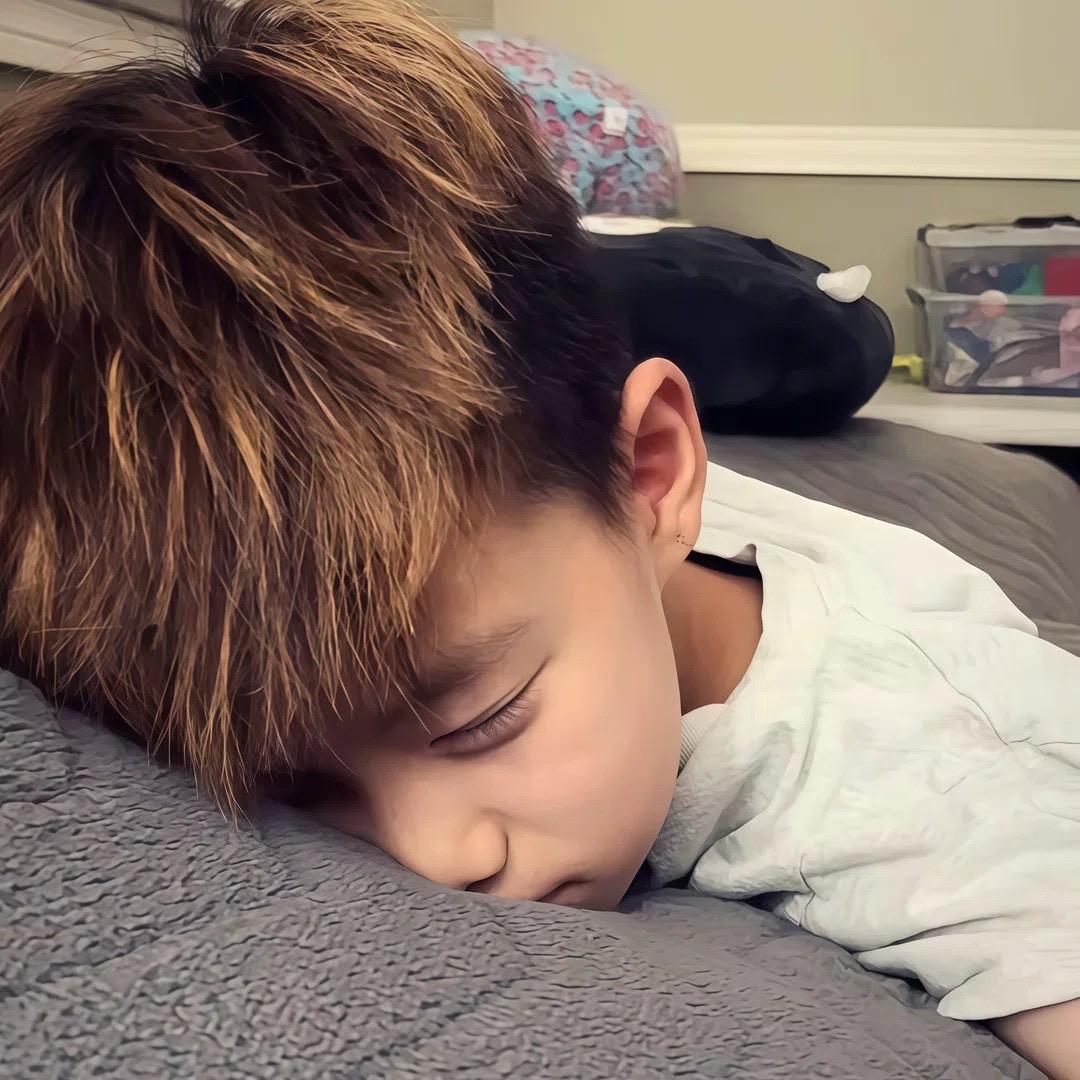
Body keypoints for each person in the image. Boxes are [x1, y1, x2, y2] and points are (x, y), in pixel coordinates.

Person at [0, 1, 1076, 1075]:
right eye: (302, 785)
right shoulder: (530, 539)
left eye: (483, 722)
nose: (436, 857)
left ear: (652, 476)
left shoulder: (924, 777)